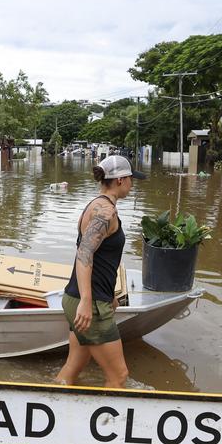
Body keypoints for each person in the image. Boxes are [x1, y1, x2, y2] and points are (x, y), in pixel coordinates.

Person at [54, 154, 146, 388]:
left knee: (74, 366)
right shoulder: (105, 213)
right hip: (89, 304)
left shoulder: (95, 205)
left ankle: (54, 400)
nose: (132, 184)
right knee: (119, 375)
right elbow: (84, 256)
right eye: (130, 179)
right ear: (120, 181)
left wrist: (109, 295)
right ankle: (107, 423)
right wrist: (88, 301)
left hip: (79, 298)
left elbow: (99, 257)